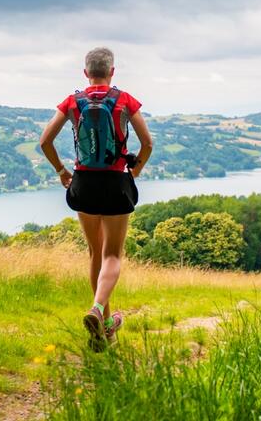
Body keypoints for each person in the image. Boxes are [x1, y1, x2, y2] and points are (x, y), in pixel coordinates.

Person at [38, 47, 152, 350]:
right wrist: (133, 173)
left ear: (85, 73)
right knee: (113, 255)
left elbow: (45, 141)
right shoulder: (125, 99)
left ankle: (102, 327)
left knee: (94, 253)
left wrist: (63, 171)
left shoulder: (73, 102)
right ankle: (98, 309)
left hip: (84, 183)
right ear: (112, 72)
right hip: (116, 183)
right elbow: (147, 143)